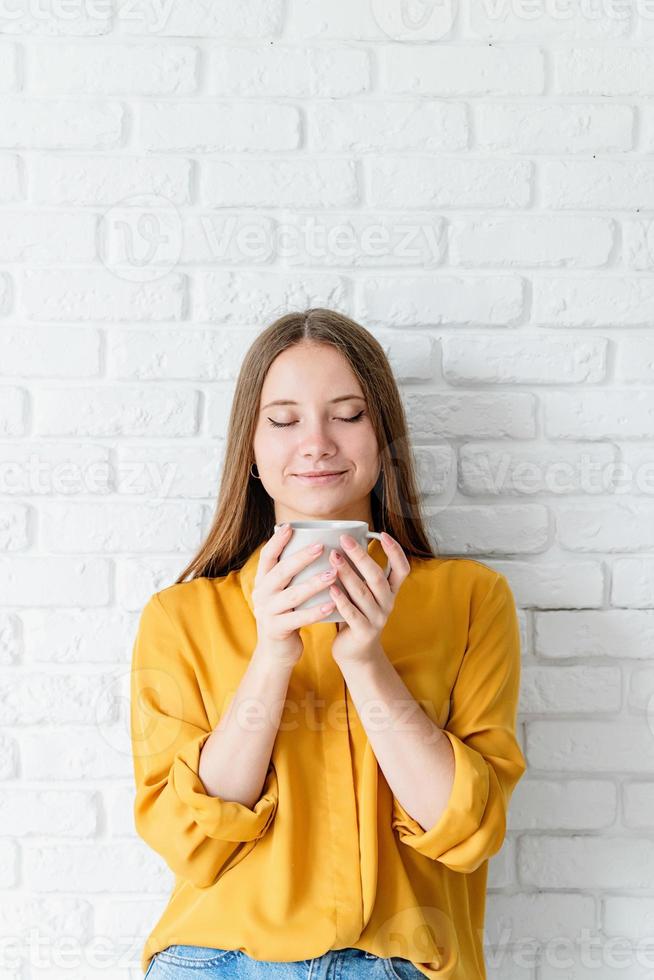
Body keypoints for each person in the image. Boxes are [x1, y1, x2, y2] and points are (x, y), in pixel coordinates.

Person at [130, 308, 527, 979]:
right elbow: (192, 840)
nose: (315, 442)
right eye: (283, 419)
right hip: (215, 962)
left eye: (347, 414)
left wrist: (367, 663)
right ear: (250, 452)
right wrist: (272, 655)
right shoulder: (181, 616)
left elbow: (464, 831)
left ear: (383, 436)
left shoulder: (469, 600)